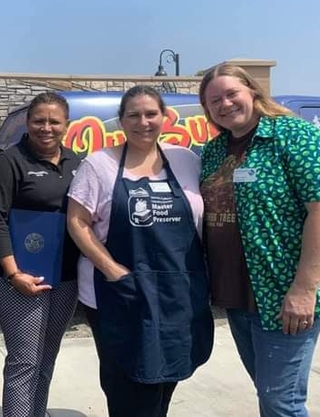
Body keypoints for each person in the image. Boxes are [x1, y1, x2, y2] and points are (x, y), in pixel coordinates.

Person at [67, 85, 214, 417]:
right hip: (120, 292)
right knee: (128, 385)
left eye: (151, 114)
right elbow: (77, 222)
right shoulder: (98, 164)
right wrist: (111, 269)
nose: (143, 122)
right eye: (133, 115)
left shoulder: (185, 160)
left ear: (165, 117)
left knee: (166, 379)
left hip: (178, 291)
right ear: (121, 121)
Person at [199, 64, 320, 417]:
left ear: (253, 92)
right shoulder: (214, 151)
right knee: (270, 392)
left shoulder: (295, 136)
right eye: (214, 101)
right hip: (237, 294)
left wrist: (305, 290)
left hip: (283, 295)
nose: (225, 104)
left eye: (231, 94)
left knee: (281, 403)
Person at [0, 91, 81, 417]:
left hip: (65, 276)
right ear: (28, 122)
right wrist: (13, 274)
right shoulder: (11, 160)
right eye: (39, 120)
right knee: (24, 361)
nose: (46, 127)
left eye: (54, 121)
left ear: (66, 125)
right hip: (18, 277)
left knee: (46, 359)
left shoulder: (76, 162)